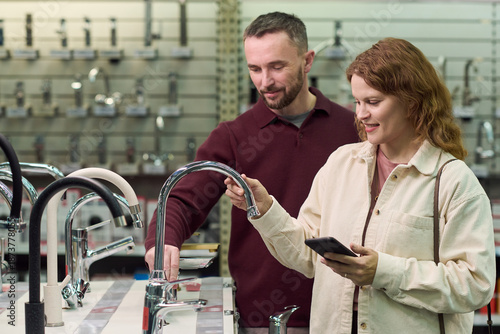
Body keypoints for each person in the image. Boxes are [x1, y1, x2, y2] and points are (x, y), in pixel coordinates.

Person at [225, 37, 496, 334]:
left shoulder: (453, 181)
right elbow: (307, 257)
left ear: (412, 101)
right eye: (357, 101)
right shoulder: (341, 164)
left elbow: (475, 284)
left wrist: (384, 272)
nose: (360, 114)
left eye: (373, 102)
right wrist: (265, 210)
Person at [143, 11, 359, 333]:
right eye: (254, 69)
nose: (264, 82)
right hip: (261, 316)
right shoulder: (235, 136)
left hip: (340, 313)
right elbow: (183, 198)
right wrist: (163, 240)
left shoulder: (352, 129)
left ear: (307, 60)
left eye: (277, 66)